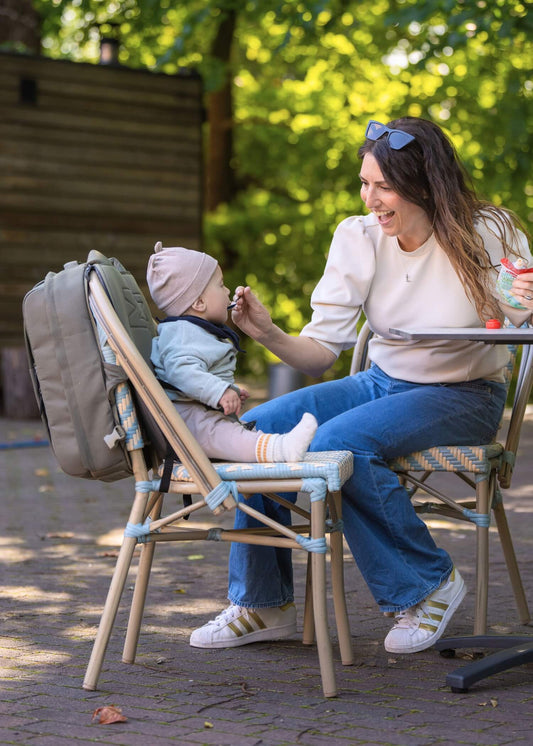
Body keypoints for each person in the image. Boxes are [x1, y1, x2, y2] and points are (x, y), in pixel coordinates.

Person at [189, 117, 533, 654]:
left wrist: (523, 306)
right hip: (380, 383)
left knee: (338, 445)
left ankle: (427, 586)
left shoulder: (488, 230)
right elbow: (320, 353)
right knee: (257, 429)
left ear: (423, 183)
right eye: (364, 183)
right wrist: (267, 332)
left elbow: (520, 318)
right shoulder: (359, 236)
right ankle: (262, 603)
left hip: (464, 394)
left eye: (382, 186)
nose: (369, 197)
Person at [146, 242, 317, 463]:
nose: (227, 290)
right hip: (186, 424)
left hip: (197, 416)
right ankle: (282, 450)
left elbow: (199, 372)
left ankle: (276, 446)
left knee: (234, 436)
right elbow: (181, 371)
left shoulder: (192, 331)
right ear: (199, 303)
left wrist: (230, 390)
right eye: (221, 285)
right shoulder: (182, 333)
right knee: (228, 437)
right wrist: (219, 391)